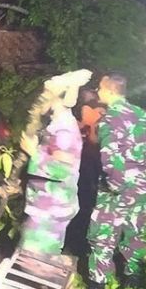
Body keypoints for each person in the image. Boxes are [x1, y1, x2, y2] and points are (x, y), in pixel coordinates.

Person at [84, 72, 146, 289]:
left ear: (111, 91)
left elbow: (110, 156)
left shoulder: (109, 119)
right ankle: (133, 285)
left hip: (117, 191)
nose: (97, 91)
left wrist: (115, 183)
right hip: (142, 188)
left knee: (102, 236)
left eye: (100, 88)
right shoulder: (140, 113)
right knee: (135, 234)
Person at [18, 69, 92, 257]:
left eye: (45, 95)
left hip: (51, 208)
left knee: (35, 262)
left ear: (56, 99)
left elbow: (62, 170)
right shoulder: (55, 126)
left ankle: (43, 286)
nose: (40, 99)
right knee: (36, 258)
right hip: (47, 205)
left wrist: (33, 152)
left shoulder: (64, 131)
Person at [66, 87, 106, 257]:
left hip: (88, 165)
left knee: (84, 206)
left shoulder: (90, 114)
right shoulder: (80, 119)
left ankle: (77, 243)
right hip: (83, 166)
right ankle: (76, 243)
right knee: (83, 206)